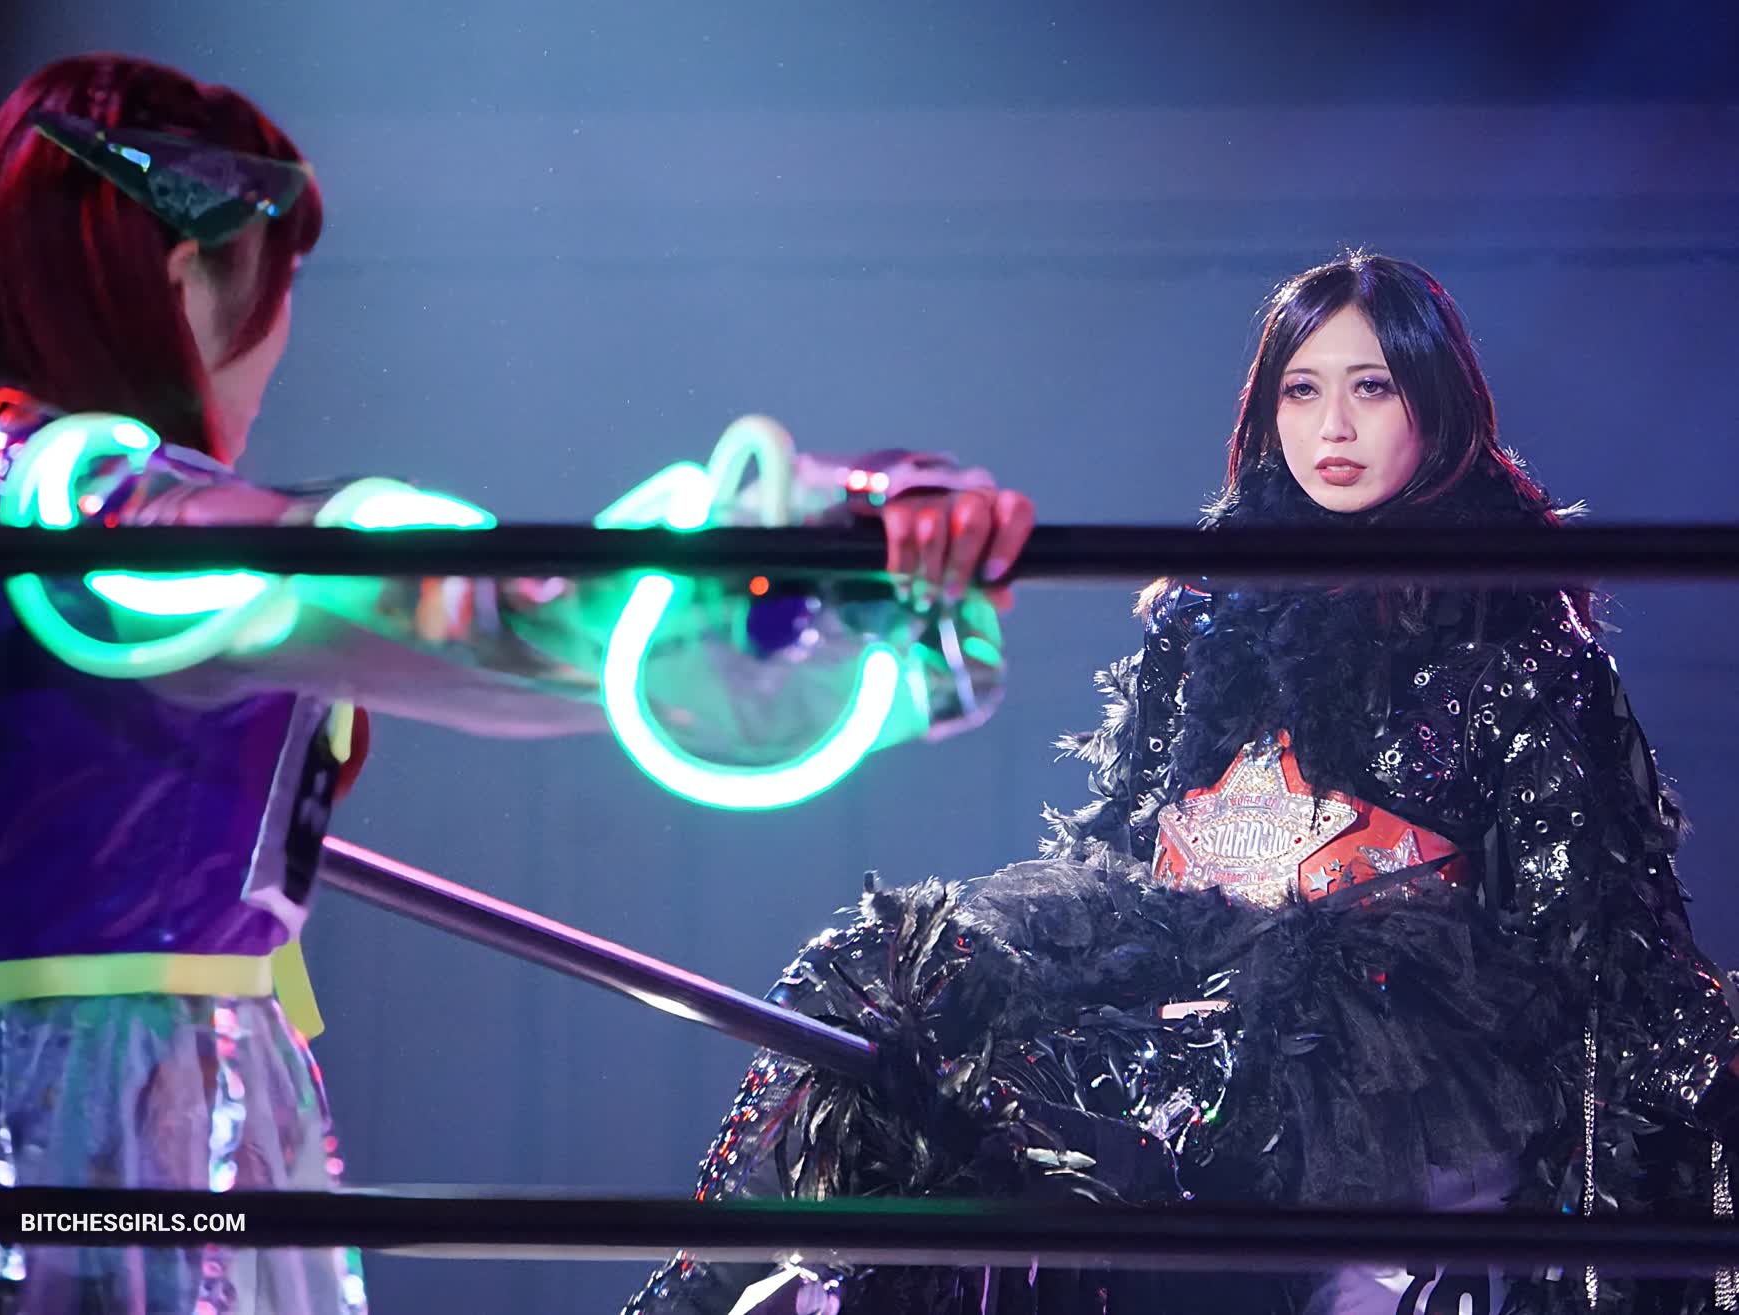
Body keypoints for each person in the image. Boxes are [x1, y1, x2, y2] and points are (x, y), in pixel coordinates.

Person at [0, 52, 1035, 1315]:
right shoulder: (80, 507)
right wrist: (809, 538)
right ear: (191, 273)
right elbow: (427, 599)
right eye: (281, 280)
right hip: (82, 1126)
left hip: (146, 1097)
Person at [625, 252, 1739, 1315]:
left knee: (1140, 1086)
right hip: (1179, 949)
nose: (1333, 426)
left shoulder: (1515, 640)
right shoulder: (1206, 616)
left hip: (1374, 1039)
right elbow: (1120, 846)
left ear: (1434, 407)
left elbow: (1594, 940)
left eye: (1372, 387)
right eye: (1302, 390)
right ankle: (700, 1290)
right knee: (888, 976)